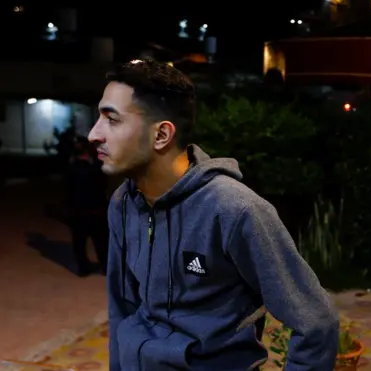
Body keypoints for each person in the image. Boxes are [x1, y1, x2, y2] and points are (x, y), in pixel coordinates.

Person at [88, 59, 339, 371]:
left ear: (162, 135)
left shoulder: (235, 209)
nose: (93, 134)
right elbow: (122, 308)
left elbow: (316, 323)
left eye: (111, 120)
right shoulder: (123, 203)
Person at [67, 136, 109, 276]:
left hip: (78, 211)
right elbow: (103, 185)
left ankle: (83, 267)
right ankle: (106, 266)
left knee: (79, 241)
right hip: (96, 210)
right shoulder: (96, 167)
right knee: (101, 241)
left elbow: (67, 189)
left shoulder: (71, 168)